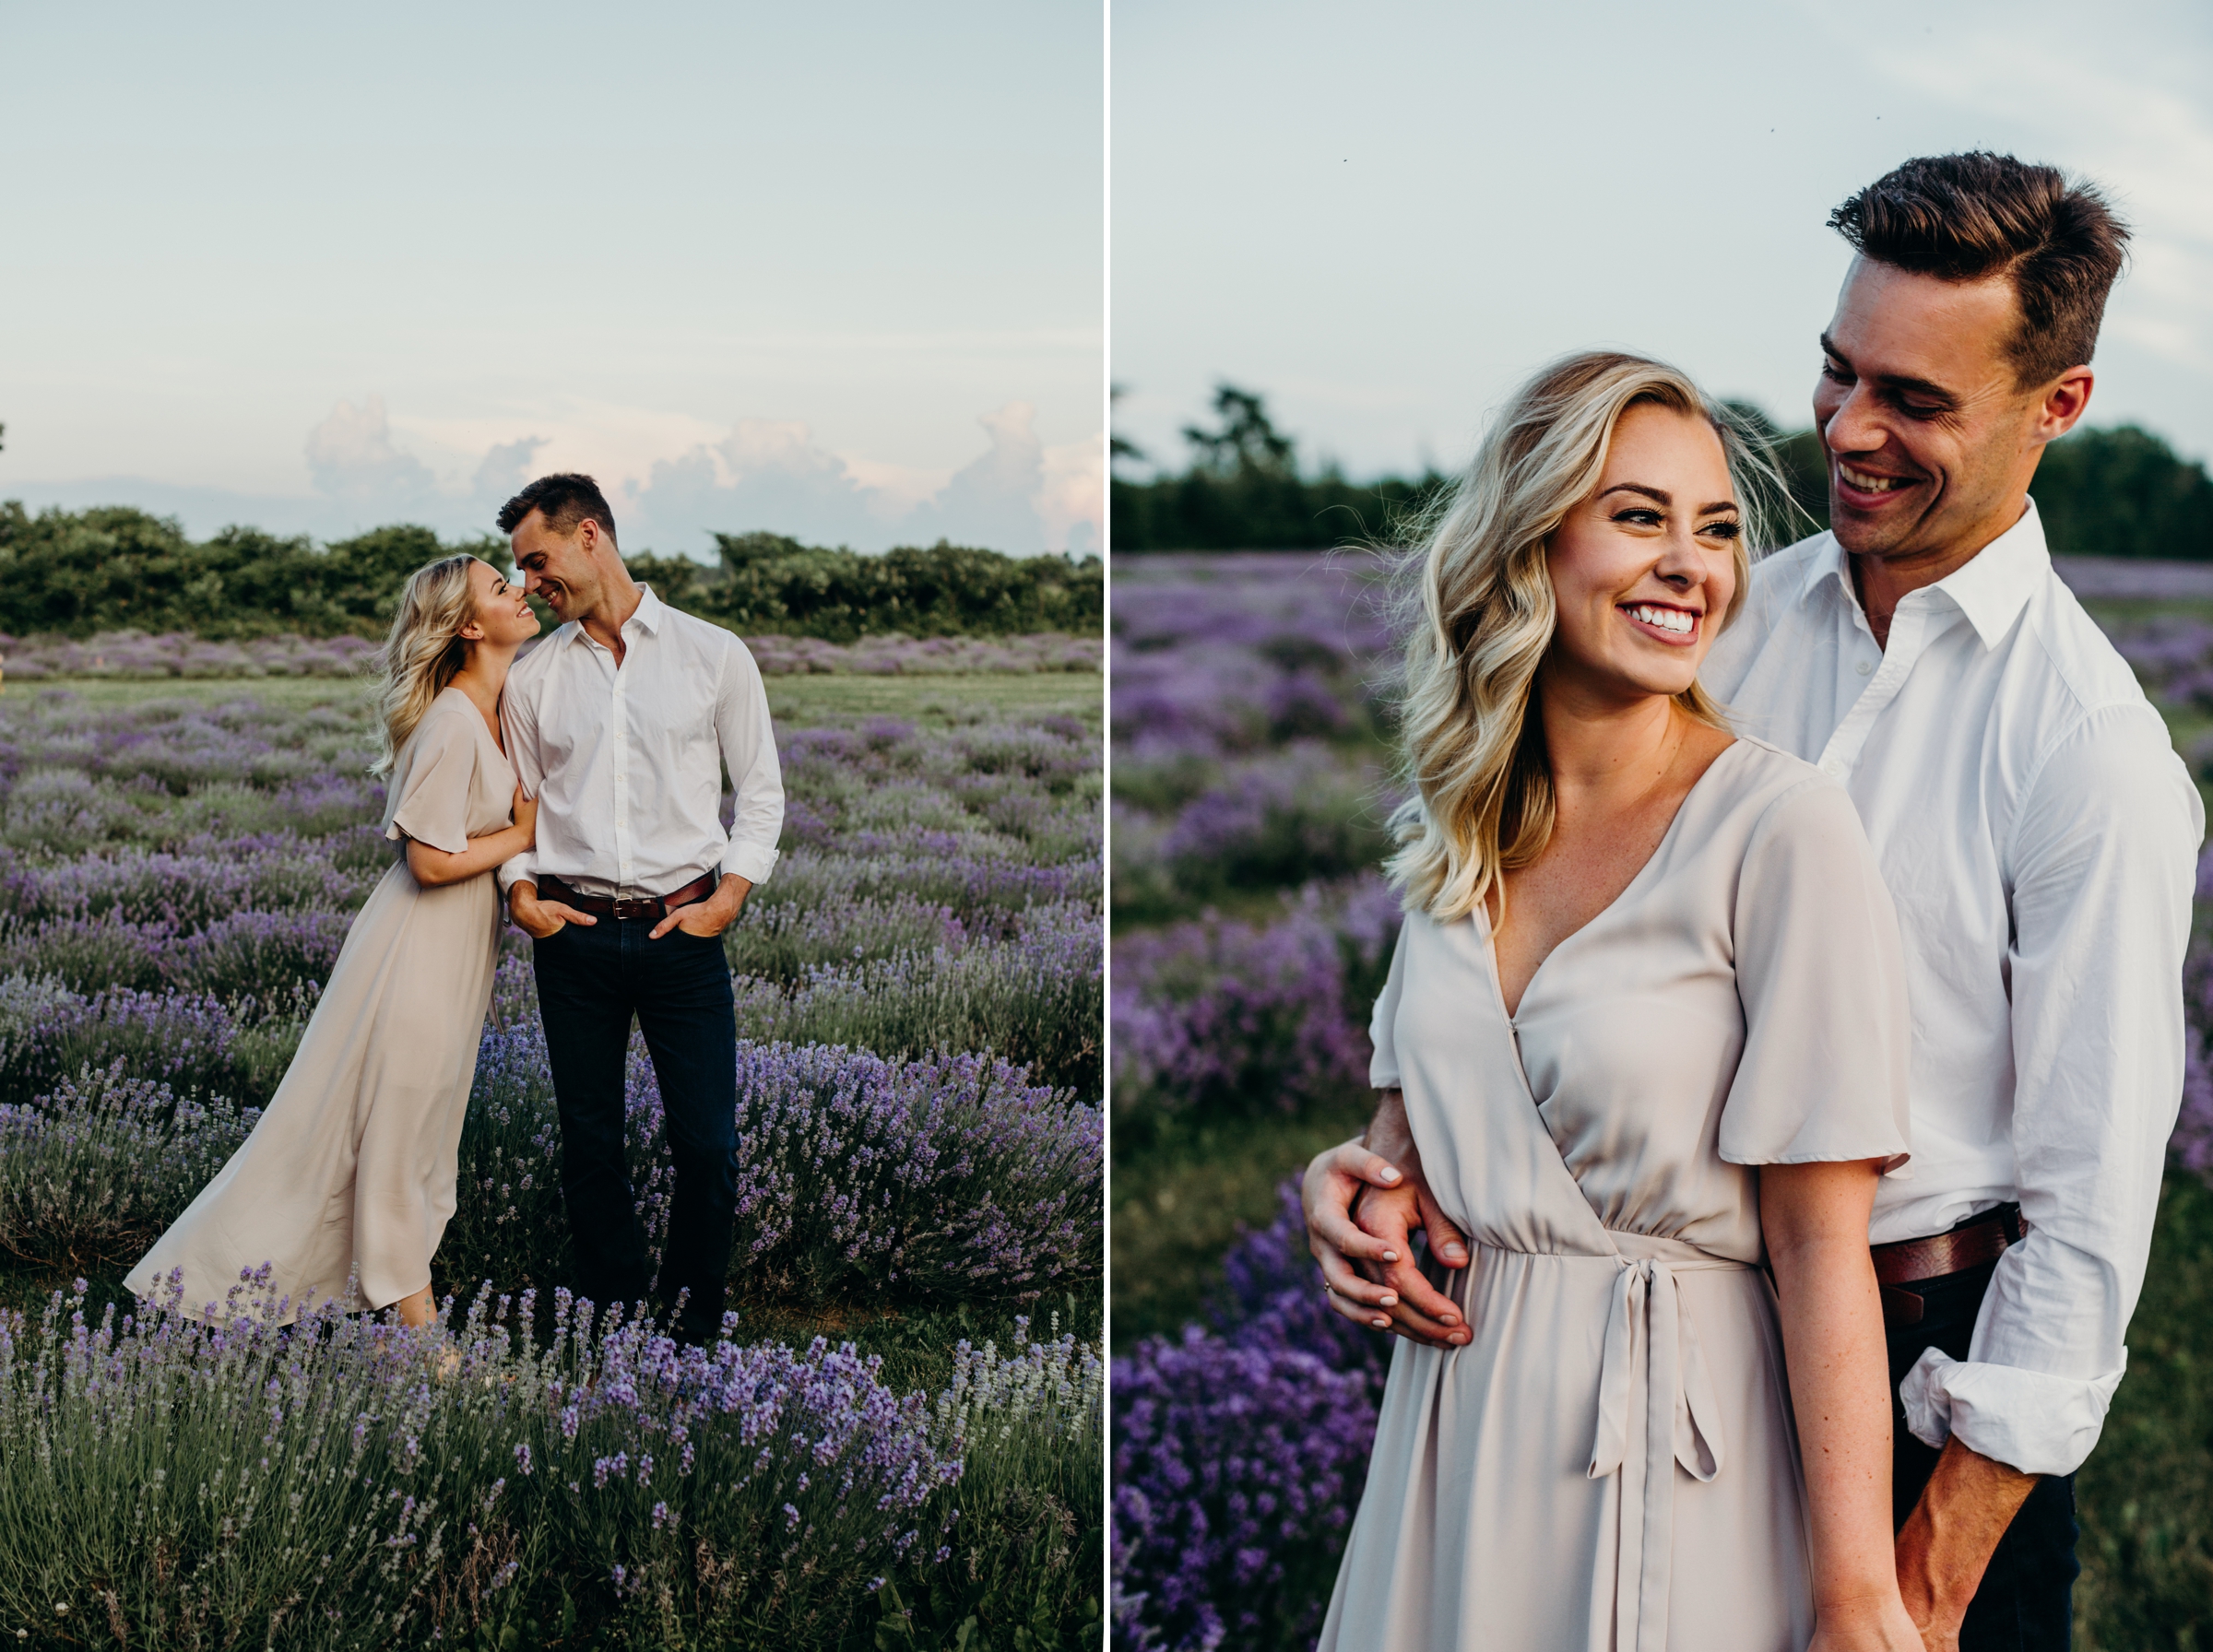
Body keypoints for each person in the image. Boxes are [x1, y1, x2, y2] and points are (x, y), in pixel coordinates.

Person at [1308, 153, 2204, 1649]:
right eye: (1837, 372)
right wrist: (1396, 1149)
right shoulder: (1727, 613)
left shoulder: (2086, 748)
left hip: (1929, 1369)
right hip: (1677, 1345)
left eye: (1915, 401)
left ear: (2058, 405)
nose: (1850, 431)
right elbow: (1559, 937)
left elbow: (2091, 1214)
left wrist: (1915, 1577)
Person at [1308, 349, 1923, 1651]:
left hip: (1678, 1453)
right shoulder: (1449, 828)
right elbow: (1409, 1124)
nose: (1692, 567)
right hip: (1451, 1436)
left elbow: (1824, 1247)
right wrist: (1354, 1187)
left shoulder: (1782, 827)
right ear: (1527, 544)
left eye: (1716, 532)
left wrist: (1858, 1597)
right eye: (1639, 517)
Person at [126, 554, 541, 1328]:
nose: (519, 592)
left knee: (402, 1130)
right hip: (417, 948)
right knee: (396, 1133)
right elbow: (427, 857)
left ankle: (365, 1310)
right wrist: (522, 833)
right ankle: (418, 1339)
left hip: (453, 948)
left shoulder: (497, 708)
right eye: (500, 587)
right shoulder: (453, 719)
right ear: (468, 627)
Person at [493, 472, 784, 1348]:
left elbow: (761, 793)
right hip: (573, 935)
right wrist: (521, 895)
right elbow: (519, 807)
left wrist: (728, 897)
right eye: (520, 571)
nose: (531, 583)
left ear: (590, 537)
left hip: (682, 934)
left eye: (538, 561)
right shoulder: (533, 675)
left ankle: (692, 1328)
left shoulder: (713, 654)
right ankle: (618, 1325)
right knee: (591, 1147)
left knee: (709, 1150)